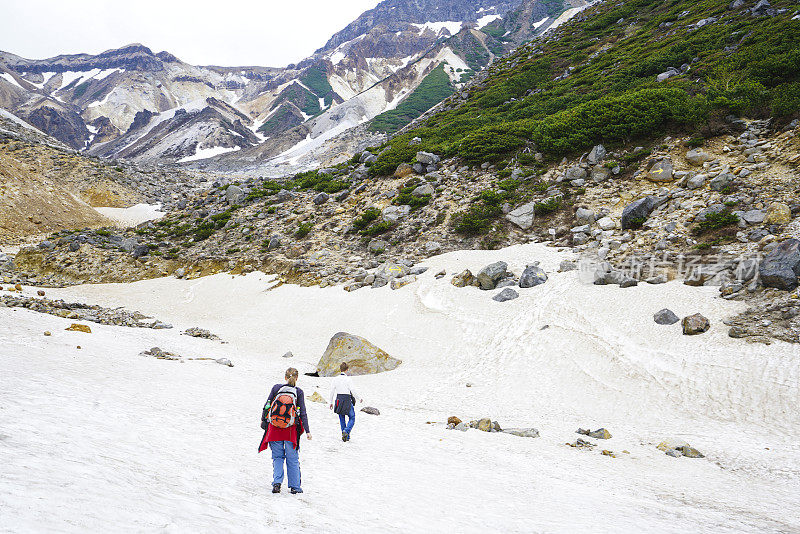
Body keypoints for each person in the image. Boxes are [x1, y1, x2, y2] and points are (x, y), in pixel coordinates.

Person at [258, 367, 311, 494]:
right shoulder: (298, 392)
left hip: (274, 429)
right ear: (297, 378)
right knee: (292, 459)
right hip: (290, 431)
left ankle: (277, 484)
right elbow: (302, 413)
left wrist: (263, 421)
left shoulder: (276, 388)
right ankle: (295, 487)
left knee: (277, 457)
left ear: (285, 377)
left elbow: (267, 405)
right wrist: (308, 430)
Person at [329, 362, 362, 442]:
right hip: (347, 399)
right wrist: (359, 398)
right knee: (352, 417)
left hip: (339, 399)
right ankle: (346, 431)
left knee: (342, 418)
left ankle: (345, 436)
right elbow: (353, 390)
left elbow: (332, 391)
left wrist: (331, 402)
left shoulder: (335, 379)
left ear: (340, 369)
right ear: (347, 369)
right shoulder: (348, 379)